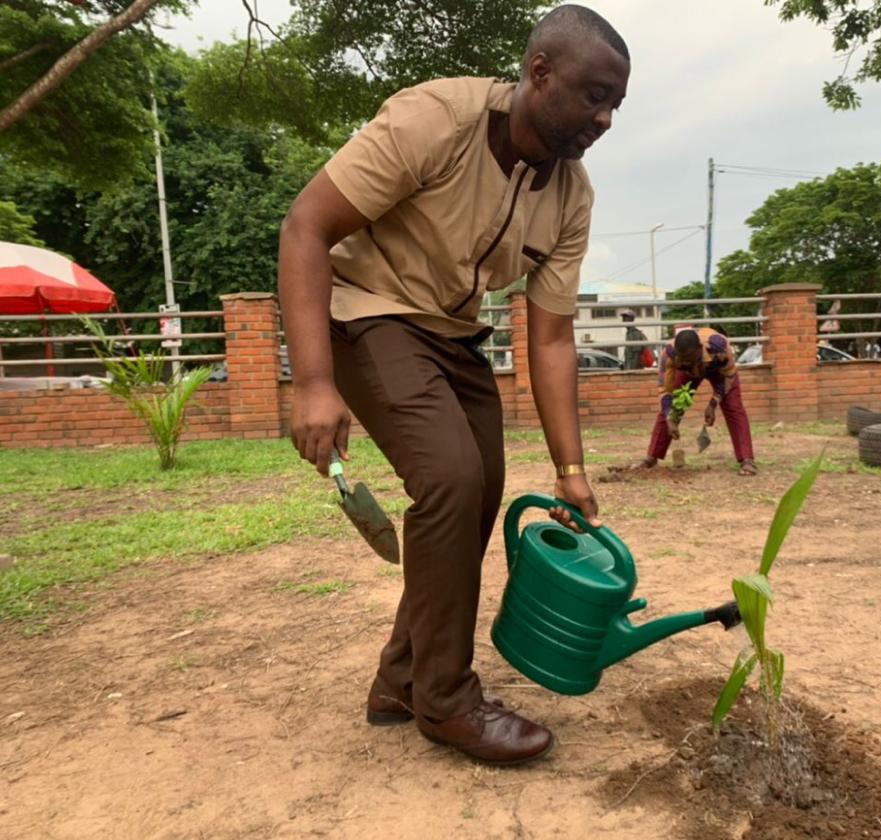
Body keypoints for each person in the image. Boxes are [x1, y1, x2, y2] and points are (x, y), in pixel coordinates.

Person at [276, 5, 630, 766]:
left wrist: (571, 470)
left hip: (454, 335)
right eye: (594, 96)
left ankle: (401, 679)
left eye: (615, 105)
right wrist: (312, 382)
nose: (604, 119)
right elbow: (305, 225)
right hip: (367, 313)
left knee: (478, 494)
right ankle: (445, 699)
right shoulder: (435, 119)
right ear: (539, 74)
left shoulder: (572, 196)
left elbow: (554, 336)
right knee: (450, 479)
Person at [634, 328, 757, 475]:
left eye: (690, 358)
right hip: (687, 374)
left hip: (719, 372)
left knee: (733, 407)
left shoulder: (719, 347)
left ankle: (747, 459)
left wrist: (713, 403)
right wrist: (669, 417)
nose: (687, 362)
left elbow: (728, 377)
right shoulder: (669, 354)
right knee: (673, 406)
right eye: (683, 359)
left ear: (699, 349)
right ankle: (651, 457)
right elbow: (665, 389)